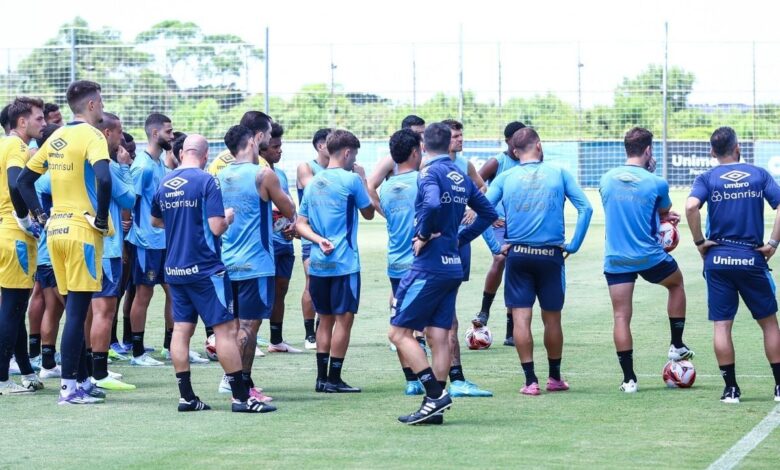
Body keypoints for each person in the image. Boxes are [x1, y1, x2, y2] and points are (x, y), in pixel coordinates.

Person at [151, 134, 275, 413]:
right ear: (205, 156)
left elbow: (155, 220)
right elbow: (217, 227)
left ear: (182, 153)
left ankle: (187, 397)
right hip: (206, 268)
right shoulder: (207, 180)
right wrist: (228, 217)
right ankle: (241, 399)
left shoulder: (165, 182)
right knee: (226, 331)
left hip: (174, 267)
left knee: (181, 330)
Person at [388, 122, 497, 425]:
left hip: (429, 267)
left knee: (397, 332)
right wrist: (459, 239)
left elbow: (433, 202)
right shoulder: (460, 175)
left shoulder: (428, 172)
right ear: (449, 143)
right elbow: (488, 213)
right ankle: (431, 408)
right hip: (452, 265)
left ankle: (435, 393)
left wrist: (423, 234)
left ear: (422, 146)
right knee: (438, 336)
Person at [18, 80, 113, 404]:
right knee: (76, 312)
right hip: (80, 232)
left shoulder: (56, 135)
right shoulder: (91, 135)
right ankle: (70, 387)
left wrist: (41, 218)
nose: (101, 107)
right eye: (100, 102)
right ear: (90, 105)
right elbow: (103, 178)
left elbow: (24, 181)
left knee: (75, 309)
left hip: (55, 231)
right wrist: (101, 218)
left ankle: (82, 379)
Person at [485, 128, 592, 395]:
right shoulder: (558, 173)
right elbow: (586, 208)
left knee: (521, 318)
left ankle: (530, 381)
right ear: (539, 146)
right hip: (551, 255)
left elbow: (482, 211)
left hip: (518, 255)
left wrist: (496, 247)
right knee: (552, 319)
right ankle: (554, 378)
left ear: (514, 152)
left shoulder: (506, 177)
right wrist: (574, 245)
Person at [685, 126, 780, 404]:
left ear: (712, 152)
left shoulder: (707, 177)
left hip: (718, 260)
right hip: (752, 258)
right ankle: (778, 387)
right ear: (738, 148)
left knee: (722, 326)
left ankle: (731, 390)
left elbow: (691, 207)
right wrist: (773, 244)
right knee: (769, 324)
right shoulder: (758, 174)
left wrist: (700, 242)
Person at [599, 127, 694, 394]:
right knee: (676, 284)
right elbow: (663, 212)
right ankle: (676, 344)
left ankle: (629, 380)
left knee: (621, 316)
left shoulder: (606, 179)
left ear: (626, 148)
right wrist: (666, 219)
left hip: (616, 258)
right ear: (649, 150)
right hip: (649, 256)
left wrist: (660, 218)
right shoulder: (657, 182)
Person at [217, 124, 295, 401]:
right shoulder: (264, 175)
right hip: (255, 263)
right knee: (248, 328)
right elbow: (289, 209)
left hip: (226, 262)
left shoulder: (220, 175)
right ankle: (241, 387)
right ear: (252, 142)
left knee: (233, 327)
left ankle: (233, 381)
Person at [296, 129, 374, 393]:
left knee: (325, 319)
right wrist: (363, 180)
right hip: (344, 264)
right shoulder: (351, 179)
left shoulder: (314, 183)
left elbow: (300, 224)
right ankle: (335, 378)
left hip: (318, 263)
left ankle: (321, 379)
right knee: (344, 320)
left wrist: (318, 241)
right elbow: (369, 213)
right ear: (348, 152)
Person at [439, 118, 493, 398]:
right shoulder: (430, 167)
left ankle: (449, 375)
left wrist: (472, 209)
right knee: (442, 312)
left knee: (449, 306)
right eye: (456, 136)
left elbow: (481, 188)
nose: (460, 140)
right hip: (437, 245)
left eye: (461, 135)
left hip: (458, 242)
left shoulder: (465, 165)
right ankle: (443, 375)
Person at [0, 97, 46, 395]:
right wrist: (26, 218)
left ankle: (25, 371)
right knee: (13, 307)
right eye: (39, 119)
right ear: (21, 122)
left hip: (4, 232)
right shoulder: (16, 146)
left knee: (13, 307)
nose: (43, 124)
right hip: (14, 235)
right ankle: (2, 379)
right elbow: (17, 183)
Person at [88, 112, 136, 390]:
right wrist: (124, 167)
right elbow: (129, 197)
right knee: (103, 312)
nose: (123, 141)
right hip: (106, 248)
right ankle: (99, 371)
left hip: (91, 246)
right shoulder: (105, 165)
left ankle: (88, 368)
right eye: (119, 134)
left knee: (89, 312)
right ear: (107, 134)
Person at [472, 121, 526, 348]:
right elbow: (474, 187)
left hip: (519, 224)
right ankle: (484, 311)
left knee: (517, 266)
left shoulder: (531, 161)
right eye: (517, 139)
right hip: (496, 222)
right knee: (502, 257)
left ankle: (511, 331)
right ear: (508, 141)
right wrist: (488, 213)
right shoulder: (498, 162)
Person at [126, 112, 175, 366]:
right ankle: (137, 352)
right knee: (143, 295)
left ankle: (171, 347)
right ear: (155, 133)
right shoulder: (142, 167)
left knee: (174, 293)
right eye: (168, 131)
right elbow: (129, 203)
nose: (172, 135)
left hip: (165, 241)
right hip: (147, 242)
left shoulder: (160, 164)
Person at [378, 129, 424, 395]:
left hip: (394, 262)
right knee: (430, 327)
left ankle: (410, 380)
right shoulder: (422, 181)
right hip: (418, 262)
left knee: (401, 323)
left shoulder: (386, 188)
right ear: (416, 151)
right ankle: (435, 380)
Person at [260, 123, 302, 353]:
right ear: (263, 149)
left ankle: (276, 340)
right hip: (264, 245)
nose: (279, 150)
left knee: (281, 289)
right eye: (275, 146)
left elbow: (288, 208)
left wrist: (293, 225)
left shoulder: (282, 175)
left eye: (280, 145)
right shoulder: (257, 174)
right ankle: (250, 338)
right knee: (259, 291)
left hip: (284, 242)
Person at [296, 128, 331, 350]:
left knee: (329, 286)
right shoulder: (306, 167)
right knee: (312, 283)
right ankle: (310, 335)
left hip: (335, 237)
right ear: (320, 146)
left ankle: (321, 330)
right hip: (311, 236)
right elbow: (314, 187)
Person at [367, 115, 426, 213]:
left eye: (423, 133)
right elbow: (370, 186)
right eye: (418, 133)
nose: (422, 137)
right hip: (400, 220)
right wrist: (386, 213)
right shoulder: (392, 158)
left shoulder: (427, 155)